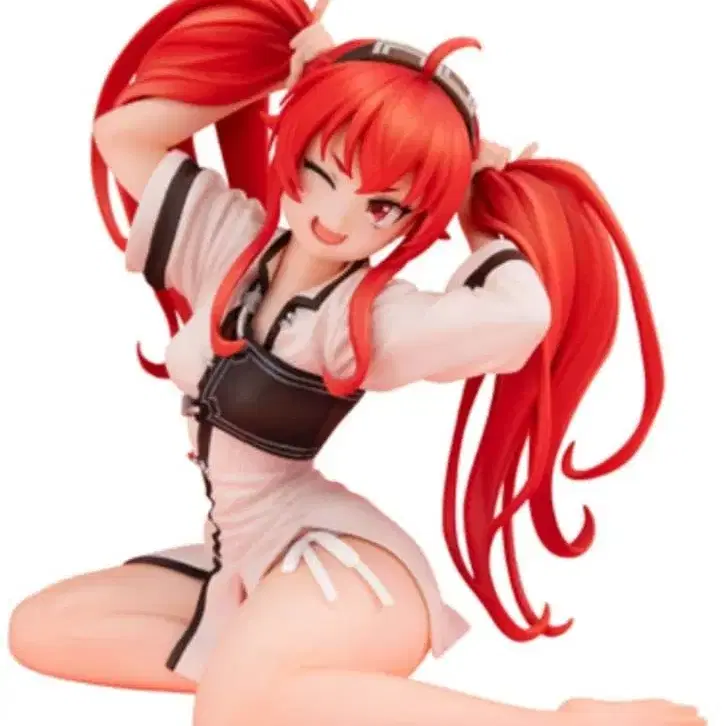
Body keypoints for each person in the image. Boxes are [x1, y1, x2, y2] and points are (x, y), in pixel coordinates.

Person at [7, 0, 704, 724]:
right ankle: (283, 682)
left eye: (381, 207)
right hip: (238, 558)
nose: (335, 215)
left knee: (227, 714)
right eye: (322, 169)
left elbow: (523, 317)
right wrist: (283, 76)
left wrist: (473, 207)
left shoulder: (364, 319)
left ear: (414, 221)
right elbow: (122, 135)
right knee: (38, 630)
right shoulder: (228, 242)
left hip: (341, 564)